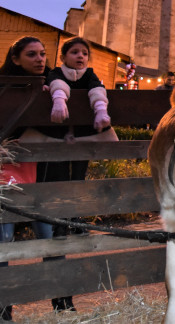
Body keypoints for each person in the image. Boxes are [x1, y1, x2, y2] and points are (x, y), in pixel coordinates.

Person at [0, 37, 75, 318]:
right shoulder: (3, 91)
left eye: (42, 53)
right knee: (2, 243)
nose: (40, 59)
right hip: (9, 176)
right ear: (15, 59)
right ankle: (1, 309)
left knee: (51, 237)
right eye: (31, 54)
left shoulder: (54, 86)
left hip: (45, 176)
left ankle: (62, 305)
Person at [39, 37, 119, 241]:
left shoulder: (90, 74)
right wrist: (58, 98)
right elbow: (56, 83)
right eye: (74, 52)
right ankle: (59, 223)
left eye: (84, 53)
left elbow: (97, 89)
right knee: (59, 178)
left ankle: (74, 217)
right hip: (57, 136)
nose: (80, 56)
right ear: (63, 56)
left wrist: (101, 110)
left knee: (78, 177)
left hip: (83, 136)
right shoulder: (55, 73)